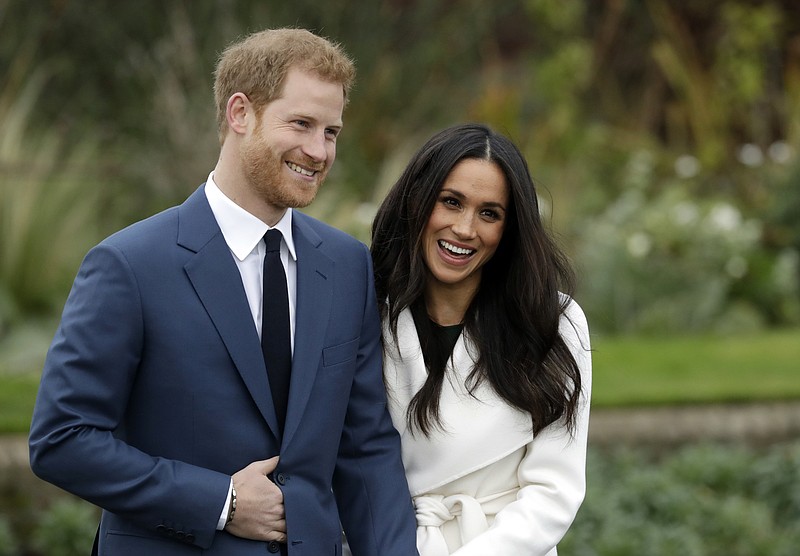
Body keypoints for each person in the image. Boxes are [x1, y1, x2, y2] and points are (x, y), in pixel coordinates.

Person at [29, 28, 418, 556]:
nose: (319, 150)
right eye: (301, 124)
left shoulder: (348, 266)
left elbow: (365, 448)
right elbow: (62, 440)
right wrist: (221, 501)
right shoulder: (129, 264)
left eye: (331, 132)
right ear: (240, 113)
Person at [370, 123, 592, 556]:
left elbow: (554, 491)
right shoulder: (368, 313)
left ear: (509, 230)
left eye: (489, 213)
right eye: (450, 202)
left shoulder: (552, 322)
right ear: (417, 200)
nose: (465, 228)